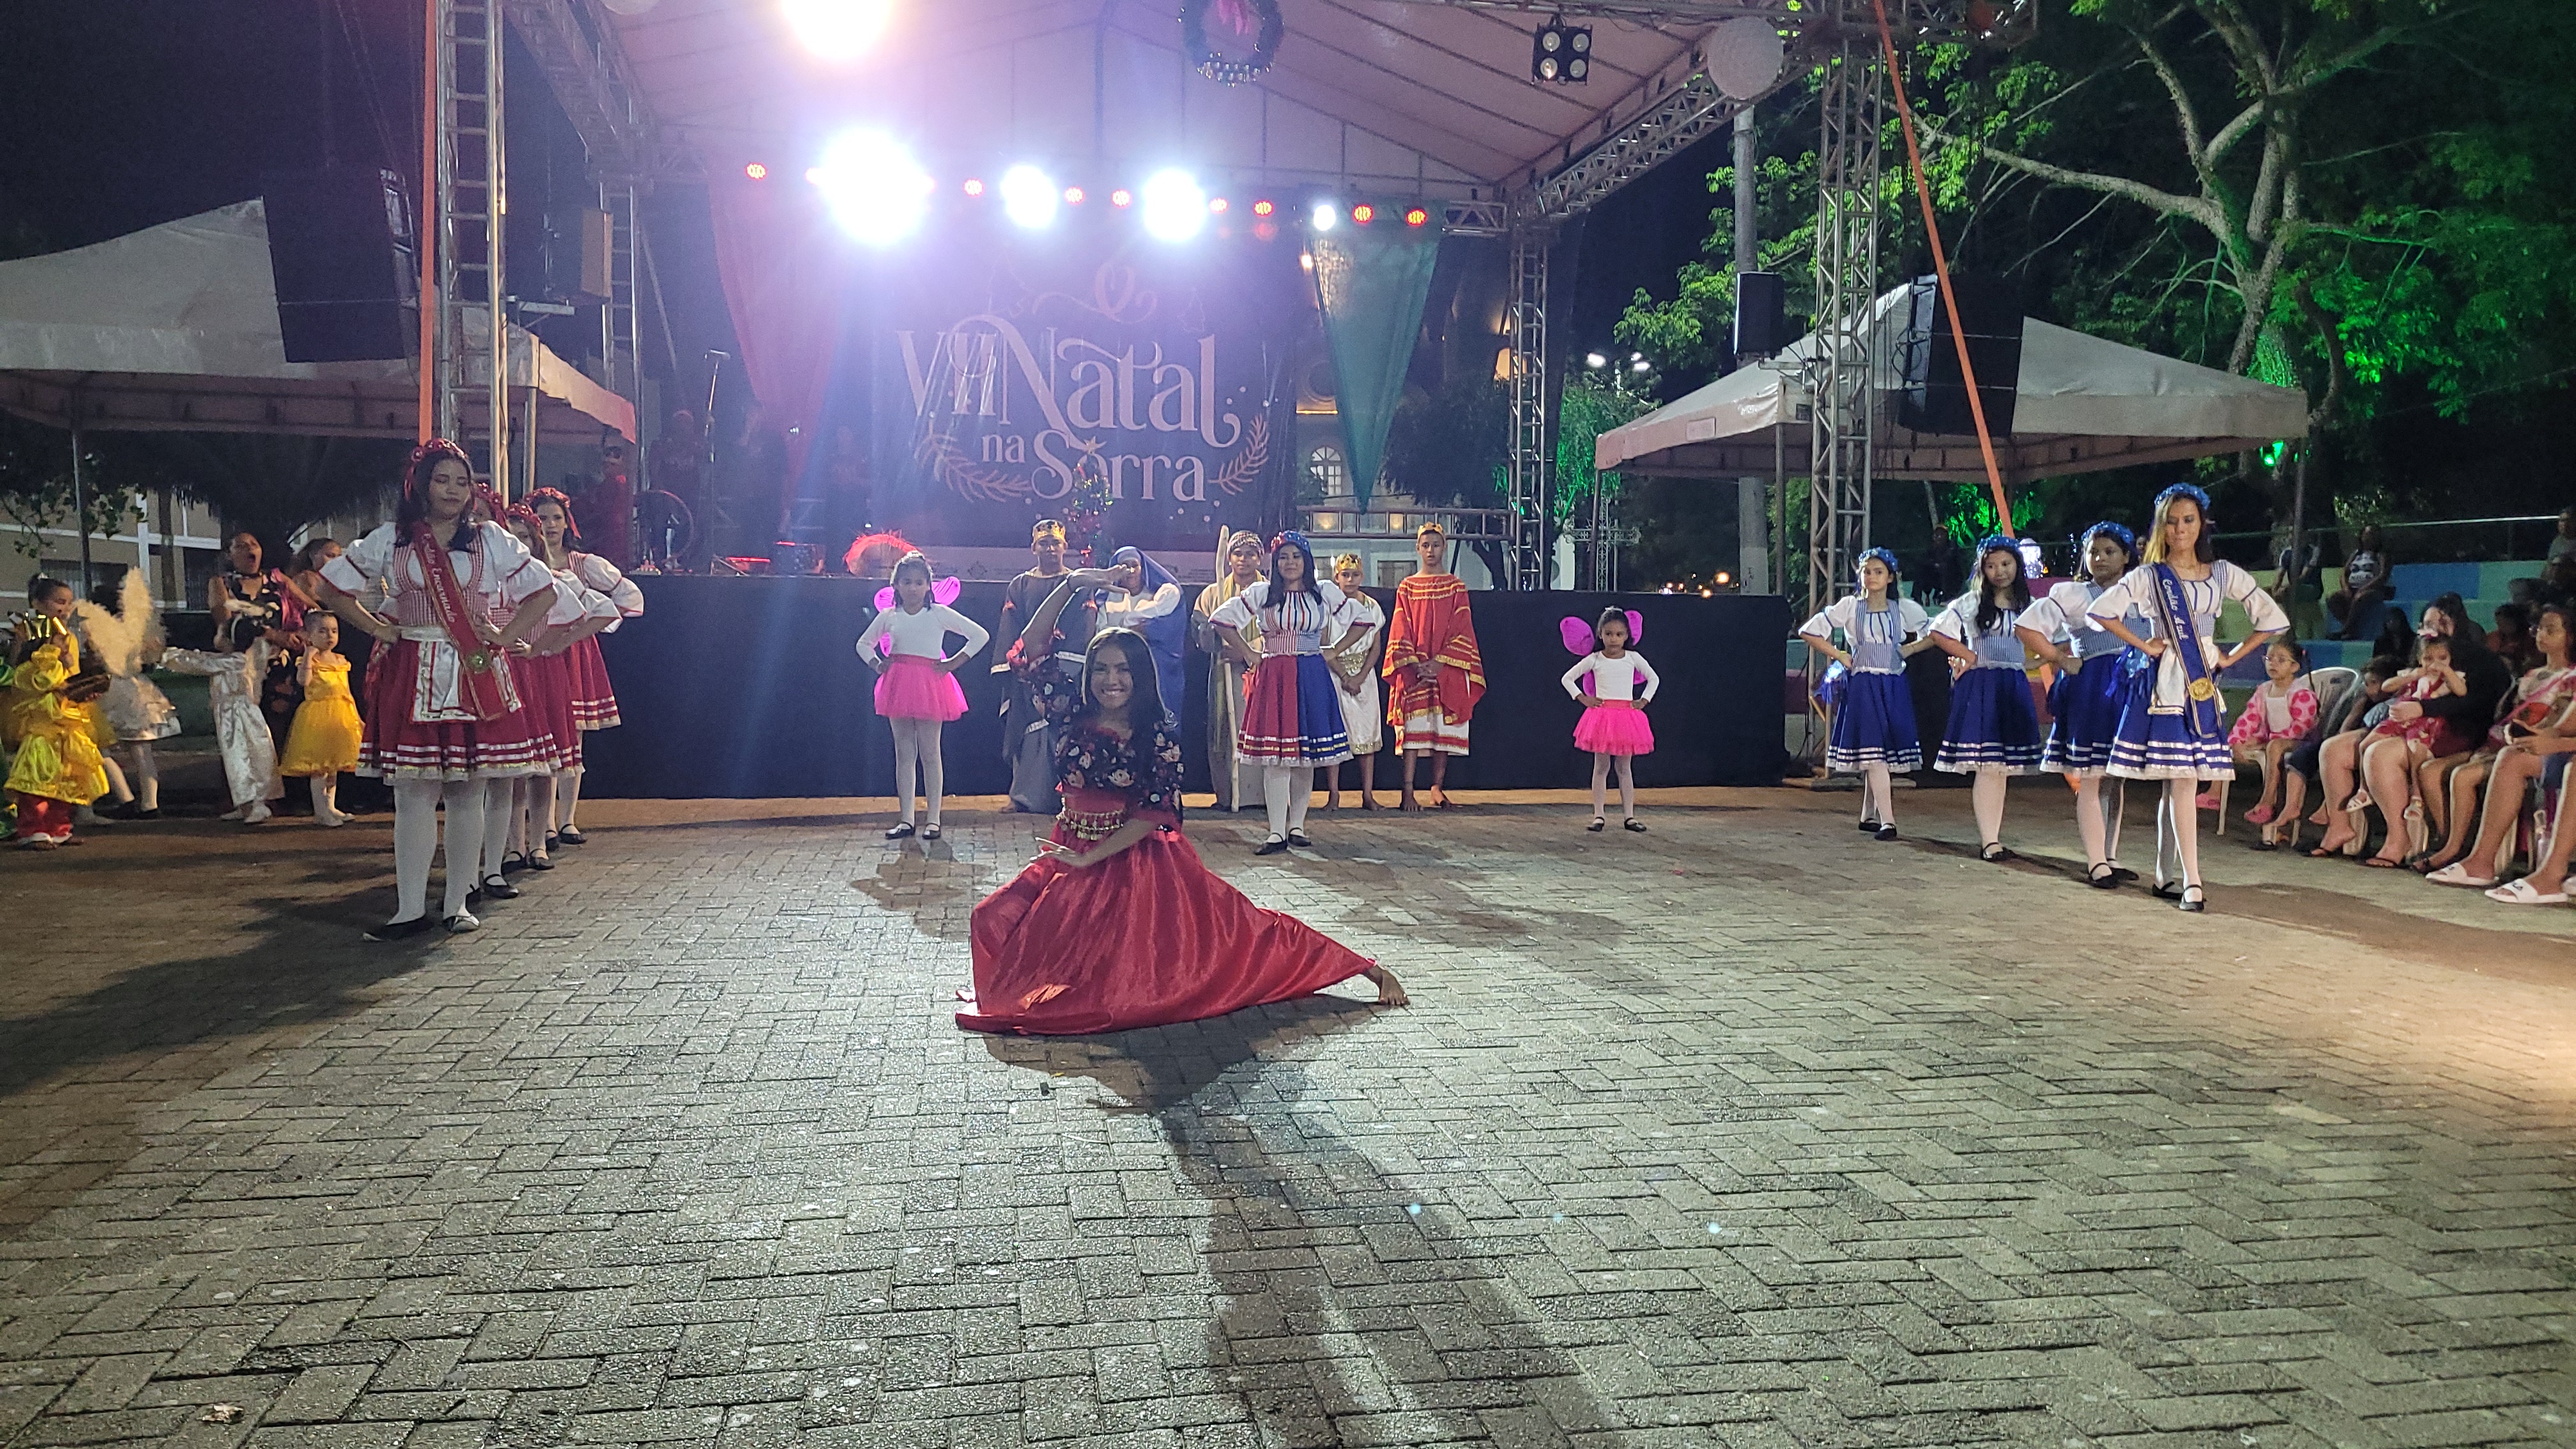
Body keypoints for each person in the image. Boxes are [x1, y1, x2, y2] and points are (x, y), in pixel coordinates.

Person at [956, 627, 1404, 1036]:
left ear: (1141, 676)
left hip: (1135, 864)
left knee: (1240, 934)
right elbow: (1033, 647)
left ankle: (1367, 970)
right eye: (1101, 669)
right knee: (992, 918)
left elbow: (1155, 812)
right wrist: (1076, 582)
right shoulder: (1071, 713)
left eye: (1123, 670)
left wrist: (1089, 857)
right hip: (1073, 850)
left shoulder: (1155, 735)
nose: (1112, 680)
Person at [313, 440, 561, 939]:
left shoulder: (490, 539)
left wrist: (504, 637)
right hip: (415, 669)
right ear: (421, 485)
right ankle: (408, 909)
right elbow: (329, 589)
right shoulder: (393, 538)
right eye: (442, 480)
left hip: (474, 669)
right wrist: (378, 629)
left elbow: (544, 592)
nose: (452, 490)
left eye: (462, 482)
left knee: (468, 791)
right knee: (413, 795)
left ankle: (458, 903)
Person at [2086, 483, 2288, 911]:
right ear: (2161, 527)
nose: (2180, 529)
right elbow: (2101, 612)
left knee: (2181, 781)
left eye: (2189, 521)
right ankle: (2192, 881)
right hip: (2165, 686)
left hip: (2201, 686)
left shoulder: (2223, 573)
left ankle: (2169, 875)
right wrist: (2144, 646)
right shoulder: (2149, 575)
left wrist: (2232, 656)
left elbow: (2272, 619)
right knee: (2179, 780)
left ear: (2202, 524)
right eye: (2172, 522)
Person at [2015, 523, 2147, 886]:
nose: (2100, 558)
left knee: (2116, 779)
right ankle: (2096, 862)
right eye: (2093, 552)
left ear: (2126, 557)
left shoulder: (2140, 593)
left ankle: (2110, 856)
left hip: (2132, 689)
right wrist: (2060, 658)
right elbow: (2026, 627)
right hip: (2093, 689)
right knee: (2091, 776)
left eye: (2109, 552)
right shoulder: (2074, 594)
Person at [1211, 532, 1355, 854]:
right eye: (1283, 557)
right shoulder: (1263, 593)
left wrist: (1333, 650)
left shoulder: (1323, 593)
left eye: (1296, 556)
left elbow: (1363, 620)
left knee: (1305, 758)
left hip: (1311, 673)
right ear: (1275, 563)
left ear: (1307, 560)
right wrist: (1250, 653)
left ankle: (1297, 826)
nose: (1290, 563)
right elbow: (1221, 620)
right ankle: (1277, 832)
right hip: (1275, 674)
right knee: (1276, 759)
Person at [2425, 605, 2576, 887]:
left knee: (2478, 770)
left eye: (2551, 630)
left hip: (2554, 749)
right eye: (2539, 629)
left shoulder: (2570, 678)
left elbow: (2557, 723)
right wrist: (2538, 735)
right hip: (2517, 740)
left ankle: (2468, 852)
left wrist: (2549, 738)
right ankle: (2467, 854)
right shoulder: (2531, 675)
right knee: (2440, 769)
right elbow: (2555, 725)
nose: (2541, 635)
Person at [531, 486, 644, 845]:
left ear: (568, 523)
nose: (550, 525)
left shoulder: (582, 563)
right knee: (545, 736)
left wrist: (592, 626)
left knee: (573, 737)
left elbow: (629, 596)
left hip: (575, 653)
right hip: (537, 650)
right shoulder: (523, 563)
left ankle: (567, 820)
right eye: (542, 518)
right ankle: (545, 823)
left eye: (556, 518)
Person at [1800, 548, 1936, 841]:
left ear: (1891, 577)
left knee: (1880, 753)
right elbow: (1809, 631)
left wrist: (1910, 649)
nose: (1871, 577)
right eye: (1867, 572)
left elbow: (1936, 633)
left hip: (1893, 684)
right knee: (1875, 753)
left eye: (1878, 572)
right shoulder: (1851, 606)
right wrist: (1840, 655)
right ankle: (1888, 821)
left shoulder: (1903, 609)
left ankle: (1868, 815)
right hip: (1863, 685)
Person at [857, 551, 990, 841]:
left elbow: (980, 635)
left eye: (919, 583)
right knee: (904, 754)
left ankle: (933, 820)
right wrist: (878, 665)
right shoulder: (889, 616)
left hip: (930, 684)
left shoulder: (938, 614)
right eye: (907, 582)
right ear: (896, 585)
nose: (913, 588)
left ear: (929, 585)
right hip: (898, 683)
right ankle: (906, 819)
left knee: (931, 753)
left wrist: (953, 663)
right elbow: (863, 644)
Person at [1928, 536, 2044, 863]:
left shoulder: (2028, 604)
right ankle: (1989, 841)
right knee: (1988, 766)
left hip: (2012, 685)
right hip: (1983, 685)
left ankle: (1993, 838)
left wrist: (2036, 661)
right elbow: (1938, 631)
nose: (1999, 571)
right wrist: (1969, 656)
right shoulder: (1972, 602)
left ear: (2018, 566)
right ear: (1981, 569)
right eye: (1991, 566)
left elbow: (2057, 637)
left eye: (2006, 564)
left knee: (2000, 767)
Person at [1382, 523, 1484, 811]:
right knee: (1413, 730)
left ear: (1444, 548)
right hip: (1414, 668)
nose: (1431, 551)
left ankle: (1437, 787)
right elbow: (1400, 626)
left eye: (1436, 545)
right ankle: (1407, 790)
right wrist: (1415, 663)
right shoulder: (1407, 587)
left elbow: (1462, 628)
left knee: (1442, 729)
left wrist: (1440, 662)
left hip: (1445, 667)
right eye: (1426, 546)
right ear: (1418, 549)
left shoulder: (1455, 587)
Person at [6, 578, 110, 848]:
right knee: (37, 772)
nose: (65, 609)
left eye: (69, 603)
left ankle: (59, 826)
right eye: (59, 602)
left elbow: (71, 675)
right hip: (40, 714)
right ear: (38, 604)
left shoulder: (69, 636)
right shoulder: (28, 633)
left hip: (67, 713)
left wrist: (85, 687)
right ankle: (33, 829)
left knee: (67, 772)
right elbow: (22, 675)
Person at [70, 567, 179, 820]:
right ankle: (150, 804)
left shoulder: (95, 629)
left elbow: (94, 660)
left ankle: (125, 797)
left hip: (110, 688)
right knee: (142, 752)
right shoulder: (135, 630)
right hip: (138, 687)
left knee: (99, 748)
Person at [998, 519, 1085, 813]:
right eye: (1044, 544)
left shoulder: (1078, 583)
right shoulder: (1020, 585)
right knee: (1027, 730)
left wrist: (1059, 661)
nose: (1050, 549)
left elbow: (1083, 624)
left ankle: (1067, 798)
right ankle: (1024, 796)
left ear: (1065, 547)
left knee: (1064, 732)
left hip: (1064, 670)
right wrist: (1019, 660)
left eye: (1055, 543)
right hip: (1027, 671)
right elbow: (1011, 624)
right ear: (1033, 548)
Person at [1560, 607, 1658, 832]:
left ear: (1627, 635)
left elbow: (1654, 678)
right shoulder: (1595, 659)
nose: (1614, 639)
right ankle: (1599, 815)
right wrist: (1583, 698)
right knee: (1601, 767)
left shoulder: (1633, 658)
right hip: (1603, 717)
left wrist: (1644, 700)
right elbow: (1567, 678)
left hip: (1626, 717)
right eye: (1609, 634)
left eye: (1619, 634)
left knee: (1624, 768)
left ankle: (1629, 816)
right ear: (1600, 634)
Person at [1192, 530, 1268, 811]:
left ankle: (1260, 796)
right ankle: (1227, 795)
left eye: (1250, 554)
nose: (1243, 560)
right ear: (1229, 558)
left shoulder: (1272, 593)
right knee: (1224, 731)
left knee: (1260, 729)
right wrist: (1210, 634)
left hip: (1262, 673)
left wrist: (1248, 651)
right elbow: (1199, 629)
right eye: (1237, 554)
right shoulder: (1213, 593)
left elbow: (1282, 633)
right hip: (1223, 672)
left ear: (1259, 559)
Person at [2226, 640, 2320, 849]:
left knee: (2274, 747)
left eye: (2281, 660)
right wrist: (2238, 740)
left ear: (2294, 667)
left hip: (2301, 742)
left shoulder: (2301, 693)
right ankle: (2215, 793)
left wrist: (2270, 740)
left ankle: (2267, 800)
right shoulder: (2264, 690)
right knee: (2241, 743)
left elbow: (2302, 727)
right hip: (2274, 740)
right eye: (2269, 659)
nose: (2273, 663)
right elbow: (2250, 718)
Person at [278, 611, 363, 827]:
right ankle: (320, 811)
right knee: (319, 768)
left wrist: (356, 717)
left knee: (334, 768)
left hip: (340, 716)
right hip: (318, 717)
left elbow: (347, 692)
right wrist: (308, 655)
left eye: (334, 631)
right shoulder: (309, 661)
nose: (330, 636)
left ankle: (330, 806)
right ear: (309, 635)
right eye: (323, 631)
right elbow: (304, 681)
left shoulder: (341, 660)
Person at [1097, 546, 1186, 728]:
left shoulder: (1156, 596)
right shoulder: (1108, 599)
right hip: (1117, 671)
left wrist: (1147, 630)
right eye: (1124, 567)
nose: (1130, 571)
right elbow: (1100, 632)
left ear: (1142, 568)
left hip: (1153, 669)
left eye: (1134, 566)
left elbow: (1171, 629)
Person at [1324, 553, 1384, 811]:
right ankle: (1334, 795)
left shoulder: (1372, 607)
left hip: (1364, 676)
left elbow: (1375, 647)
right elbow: (1325, 646)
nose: (1350, 580)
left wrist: (1360, 676)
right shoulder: (1327, 606)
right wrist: (1345, 676)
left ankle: (1368, 794)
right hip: (1335, 674)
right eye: (1345, 575)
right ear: (1336, 578)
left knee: (1367, 736)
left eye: (1355, 575)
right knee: (1335, 735)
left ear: (1362, 577)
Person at [2326, 525, 2389, 640]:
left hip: (2373, 589)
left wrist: (2365, 588)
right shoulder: (2356, 554)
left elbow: (2383, 575)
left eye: (2373, 535)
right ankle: (2350, 627)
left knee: (2360, 598)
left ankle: (2345, 630)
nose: (2370, 538)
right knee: (2333, 599)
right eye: (2367, 535)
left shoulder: (2381, 555)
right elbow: (2344, 573)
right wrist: (2346, 588)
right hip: (2353, 588)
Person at [586, 431, 636, 570]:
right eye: (606, 464)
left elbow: (605, 509)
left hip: (616, 535)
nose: (607, 467)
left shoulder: (619, 483)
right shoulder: (605, 484)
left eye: (612, 465)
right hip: (606, 533)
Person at [2487, 602, 2540, 677]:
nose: (2501, 627)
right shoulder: (2494, 637)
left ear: (2516, 621)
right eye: (2499, 624)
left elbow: (2536, 661)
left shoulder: (2531, 638)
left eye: (2506, 623)